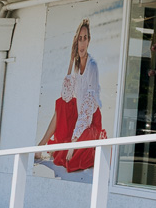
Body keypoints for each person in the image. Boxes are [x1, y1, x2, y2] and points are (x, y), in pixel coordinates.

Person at [35, 19, 106, 174]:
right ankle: (41, 145)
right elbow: (66, 96)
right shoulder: (76, 65)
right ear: (76, 42)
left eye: (85, 38)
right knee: (63, 103)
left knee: (70, 159)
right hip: (80, 117)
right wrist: (71, 60)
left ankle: (71, 144)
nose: (82, 43)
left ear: (89, 41)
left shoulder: (92, 66)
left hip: (91, 122)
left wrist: (73, 144)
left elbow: (87, 109)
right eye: (79, 39)